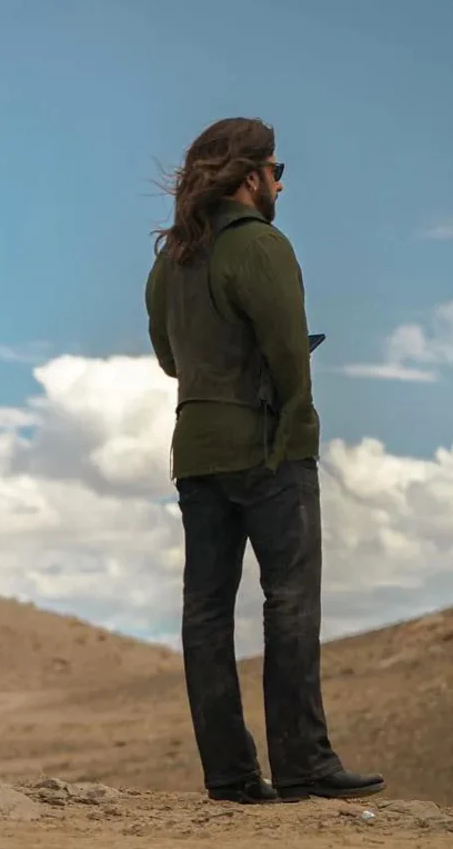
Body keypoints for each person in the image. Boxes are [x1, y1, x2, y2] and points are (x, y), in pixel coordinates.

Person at [143, 116, 385, 804]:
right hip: (267, 448)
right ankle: (304, 765)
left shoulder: (170, 260)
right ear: (251, 177)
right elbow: (286, 355)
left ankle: (231, 776)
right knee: (289, 603)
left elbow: (169, 358)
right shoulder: (262, 245)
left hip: (195, 450)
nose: (281, 182)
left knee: (206, 611)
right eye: (277, 170)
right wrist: (297, 432)